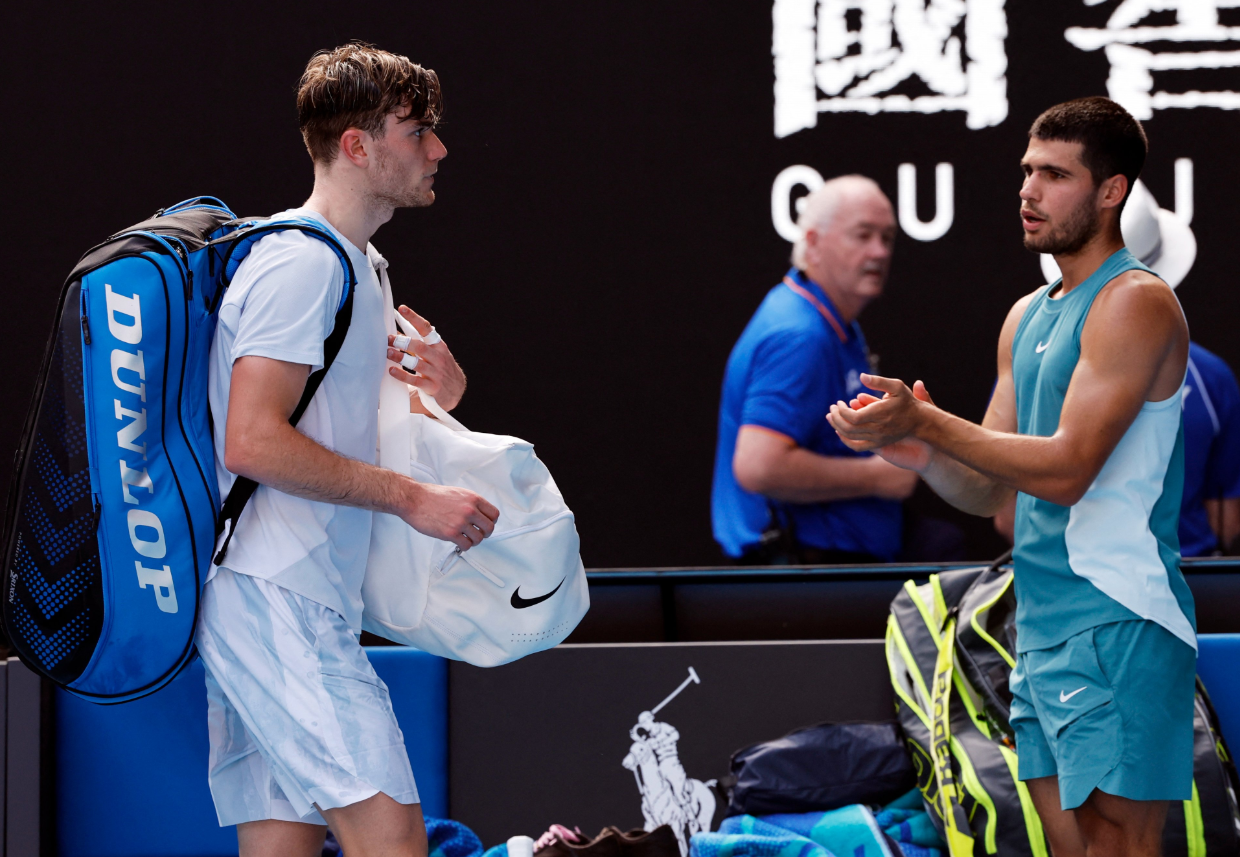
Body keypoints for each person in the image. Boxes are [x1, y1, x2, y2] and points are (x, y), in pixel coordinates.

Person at [828, 97, 1196, 857]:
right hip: (1040, 627)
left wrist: (932, 422)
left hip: (1120, 620)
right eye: (1028, 171)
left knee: (1118, 849)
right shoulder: (1026, 314)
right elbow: (991, 488)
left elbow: (1067, 470)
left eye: (1055, 175)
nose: (1028, 190)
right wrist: (923, 452)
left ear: (1111, 191)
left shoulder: (1137, 302)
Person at [200, 44, 500, 857]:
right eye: (417, 131)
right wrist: (413, 499)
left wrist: (440, 396)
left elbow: (344, 430)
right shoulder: (301, 263)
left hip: (283, 594)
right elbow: (252, 439)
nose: (438, 149)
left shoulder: (361, 263)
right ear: (357, 146)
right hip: (275, 596)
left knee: (282, 845)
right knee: (392, 840)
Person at [993, 179, 1240, 557]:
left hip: (1067, 572)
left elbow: (1005, 512)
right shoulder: (1211, 378)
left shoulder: (1031, 356)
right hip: (1183, 573)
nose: (1029, 188)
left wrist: (931, 428)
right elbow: (1226, 519)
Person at [711, 176, 917, 565]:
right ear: (814, 242)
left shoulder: (829, 321)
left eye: (887, 237)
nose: (879, 251)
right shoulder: (800, 335)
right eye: (863, 235)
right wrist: (878, 477)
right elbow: (759, 466)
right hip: (802, 573)